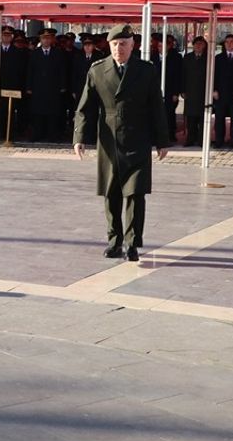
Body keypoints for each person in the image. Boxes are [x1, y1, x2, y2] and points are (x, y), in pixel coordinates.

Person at [73, 24, 169, 262]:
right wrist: (79, 137)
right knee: (111, 193)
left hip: (138, 138)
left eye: (123, 44)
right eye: (114, 44)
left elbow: (157, 106)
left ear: (132, 45)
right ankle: (114, 240)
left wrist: (162, 141)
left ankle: (133, 242)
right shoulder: (97, 70)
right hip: (109, 141)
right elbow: (84, 109)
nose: (119, 49)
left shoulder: (146, 71)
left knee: (135, 193)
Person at [212, 33, 233, 147]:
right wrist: (214, 90)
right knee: (219, 119)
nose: (229, 44)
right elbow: (214, 75)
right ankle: (219, 141)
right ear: (224, 44)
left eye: (231, 42)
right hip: (221, 93)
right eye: (227, 42)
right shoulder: (218, 58)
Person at [181, 37, 208, 146]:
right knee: (190, 118)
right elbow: (182, 75)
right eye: (196, 44)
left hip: (203, 92)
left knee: (202, 118)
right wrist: (182, 90)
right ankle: (190, 139)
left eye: (201, 44)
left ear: (204, 46)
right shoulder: (187, 58)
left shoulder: (208, 58)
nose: (198, 46)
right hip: (190, 92)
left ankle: (202, 140)